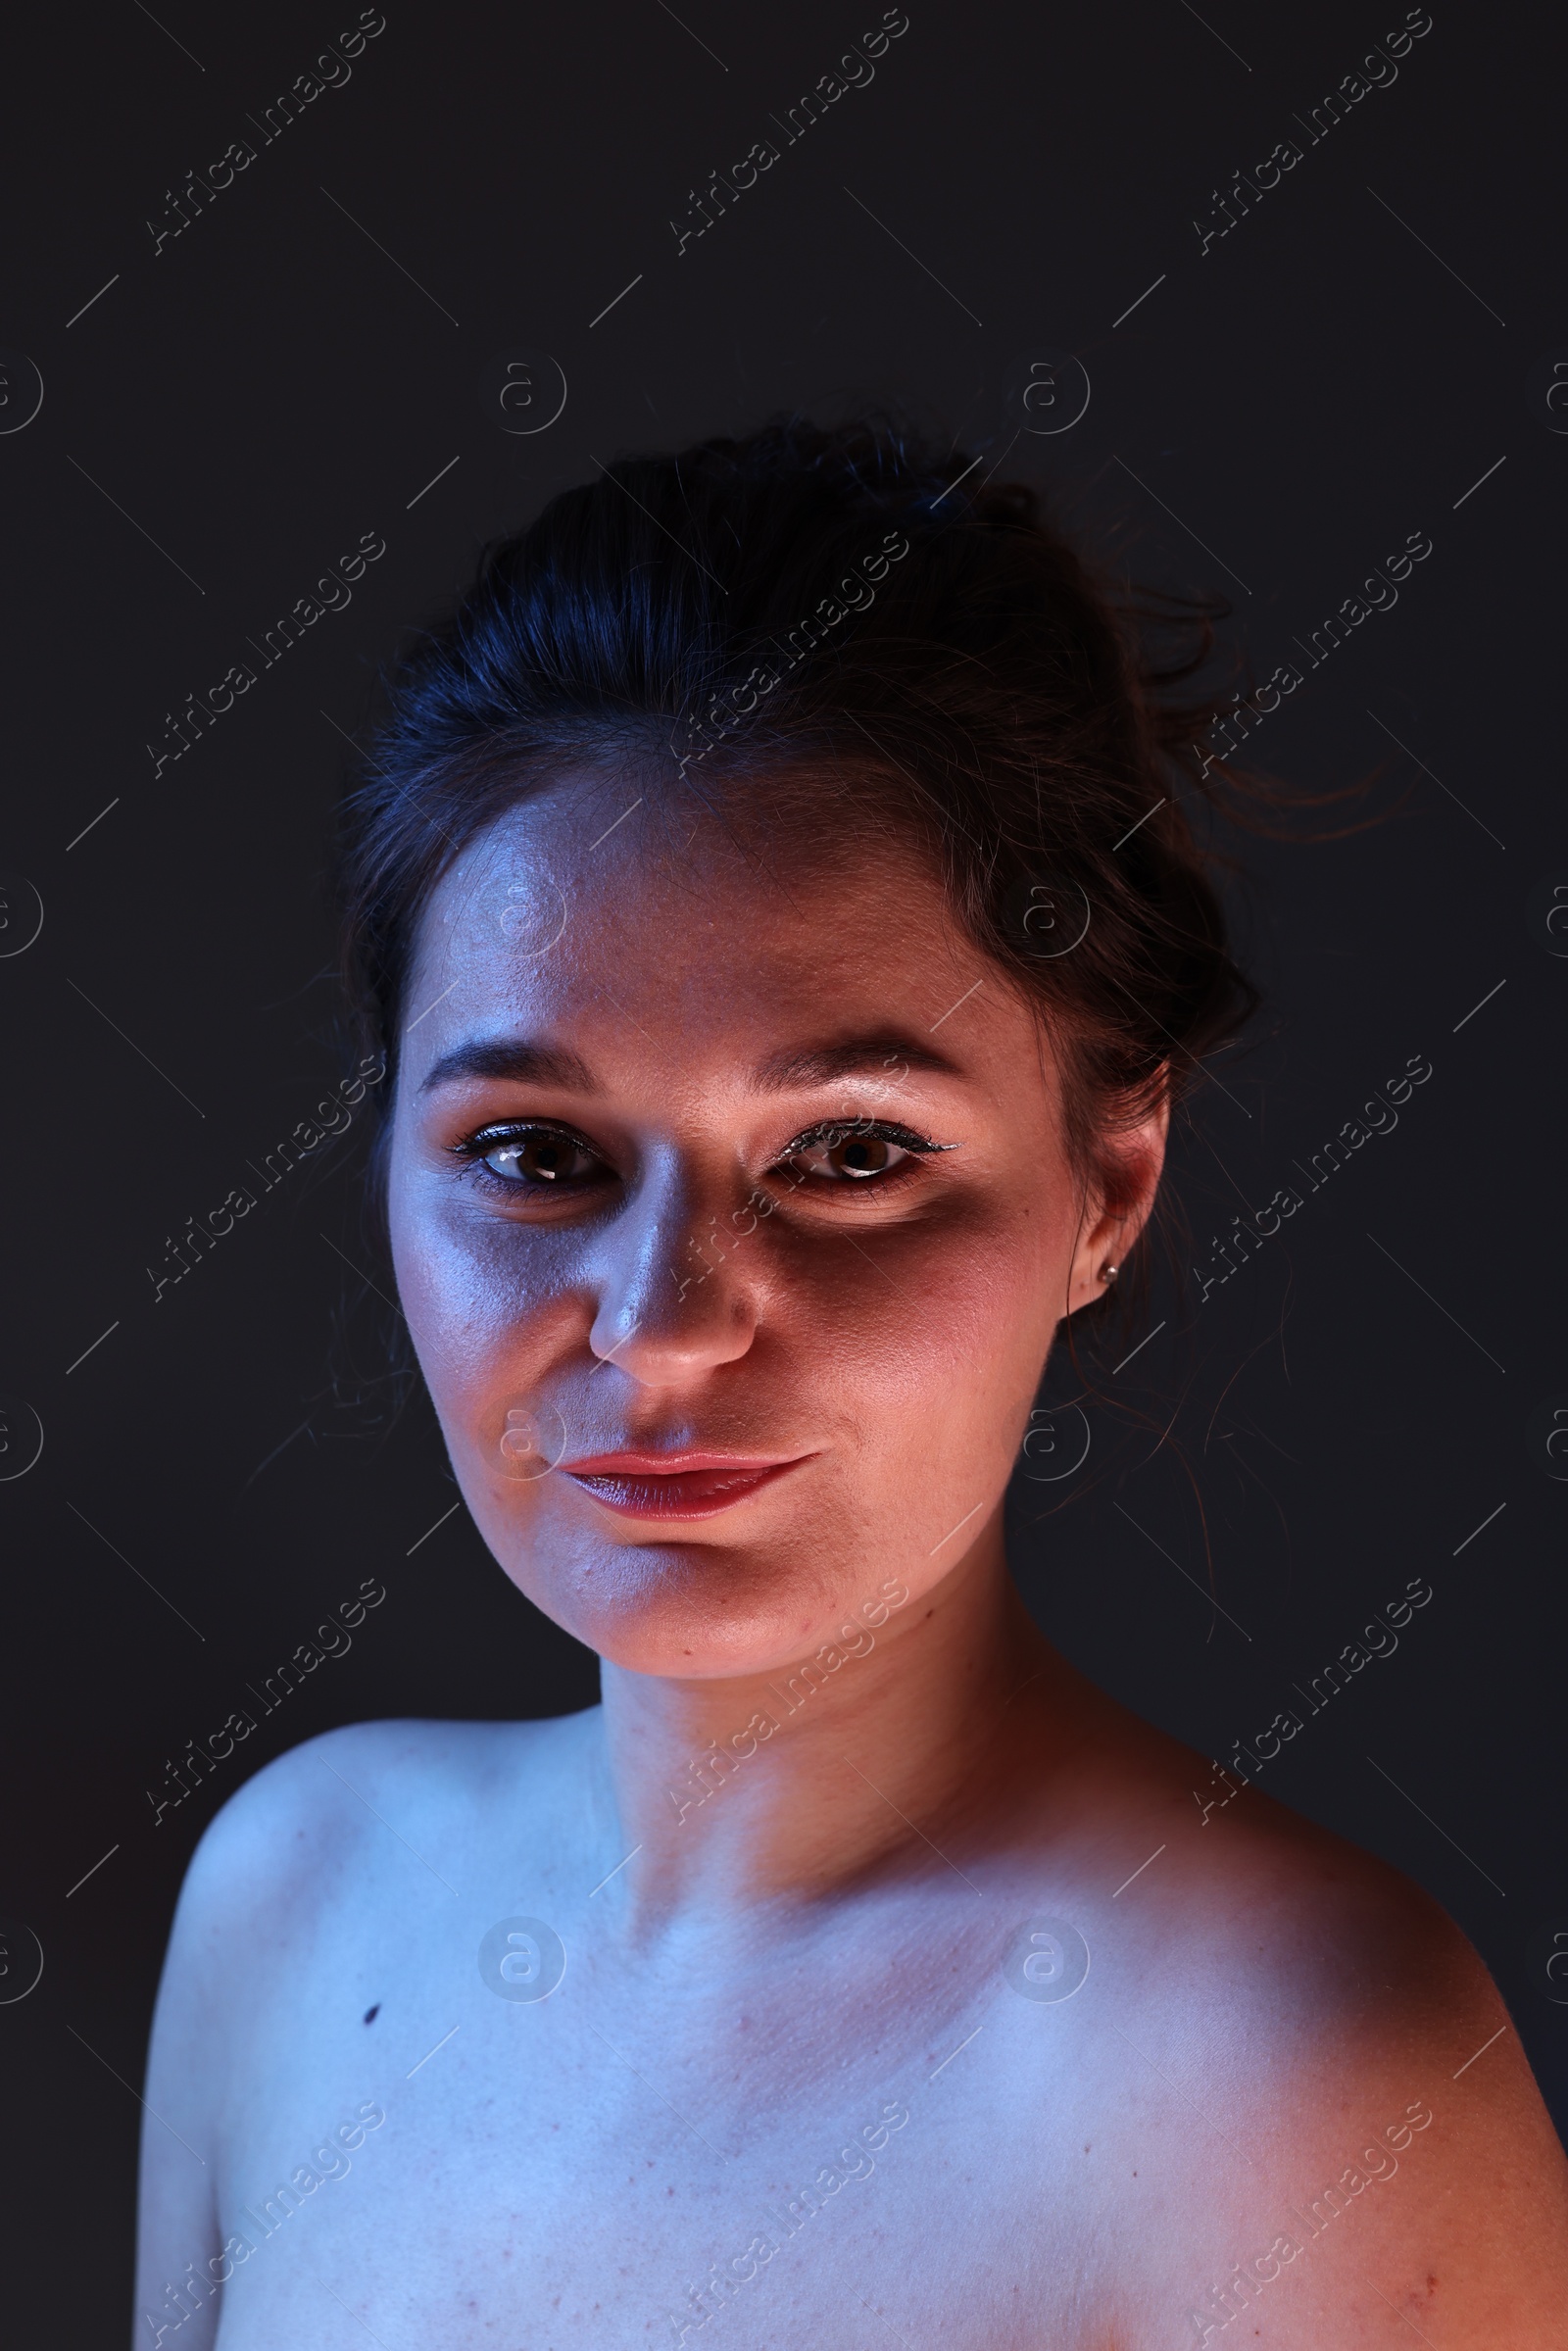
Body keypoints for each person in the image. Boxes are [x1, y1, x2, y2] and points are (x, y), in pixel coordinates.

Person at [132, 417, 1568, 2347]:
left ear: (1101, 1186)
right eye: (535, 1154)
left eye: (851, 1154)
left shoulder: (1297, 2078)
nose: (658, 1322)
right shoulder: (297, 1907)